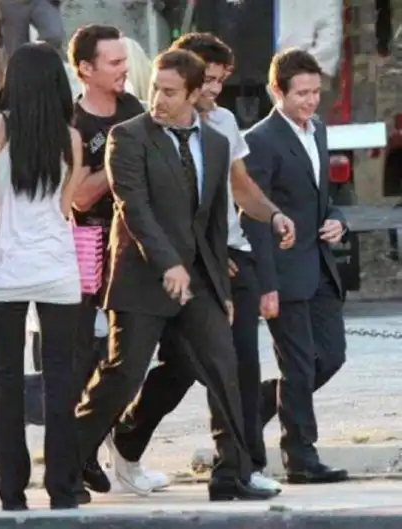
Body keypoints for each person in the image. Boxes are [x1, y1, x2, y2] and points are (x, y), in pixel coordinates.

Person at [74, 48, 281, 502]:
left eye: (169, 92)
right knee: (123, 374)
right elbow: (134, 208)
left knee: (223, 365)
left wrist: (221, 287)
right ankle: (70, 463)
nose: (158, 100)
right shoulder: (127, 137)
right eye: (155, 89)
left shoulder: (217, 143)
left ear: (193, 94)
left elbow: (212, 222)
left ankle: (233, 474)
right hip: (141, 278)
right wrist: (168, 263)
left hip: (199, 279)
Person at [0, 42, 85, 510]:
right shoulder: (70, 138)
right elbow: (63, 207)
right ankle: (63, 489)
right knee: (61, 379)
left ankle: (13, 492)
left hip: (5, 266)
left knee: (7, 378)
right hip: (57, 266)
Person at [242, 48, 348, 484]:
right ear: (276, 91)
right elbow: (253, 216)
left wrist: (337, 221)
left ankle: (258, 406)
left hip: (320, 266)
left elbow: (324, 198)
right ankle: (301, 458)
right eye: (301, 93)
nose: (310, 101)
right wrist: (265, 283)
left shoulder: (318, 130)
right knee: (299, 367)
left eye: (315, 92)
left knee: (332, 357)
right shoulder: (260, 140)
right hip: (283, 271)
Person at [67, 24, 147, 500]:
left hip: (135, 248)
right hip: (88, 248)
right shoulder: (73, 123)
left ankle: (104, 448)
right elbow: (78, 196)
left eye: (124, 60)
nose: (123, 69)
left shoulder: (135, 109)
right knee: (85, 356)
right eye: (113, 62)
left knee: (127, 357)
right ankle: (80, 455)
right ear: (85, 69)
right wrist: (117, 158)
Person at [0, 0, 65, 58]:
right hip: (11, 4)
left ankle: (41, 62)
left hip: (41, 2)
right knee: (16, 53)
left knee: (55, 33)